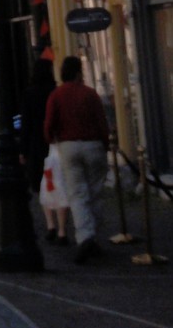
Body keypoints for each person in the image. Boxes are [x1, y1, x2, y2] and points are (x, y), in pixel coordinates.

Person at [44, 55, 110, 263]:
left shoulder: (56, 95)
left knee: (77, 194)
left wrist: (52, 139)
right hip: (92, 144)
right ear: (79, 72)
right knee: (95, 192)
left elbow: (49, 124)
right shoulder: (90, 94)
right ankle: (93, 236)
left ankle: (85, 237)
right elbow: (101, 122)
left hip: (68, 146)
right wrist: (104, 143)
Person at [20, 58, 68, 245]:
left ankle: (50, 225)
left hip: (36, 145)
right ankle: (63, 229)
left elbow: (26, 125)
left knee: (43, 184)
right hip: (56, 143)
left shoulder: (29, 94)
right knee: (60, 183)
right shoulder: (56, 92)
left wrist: (22, 150)